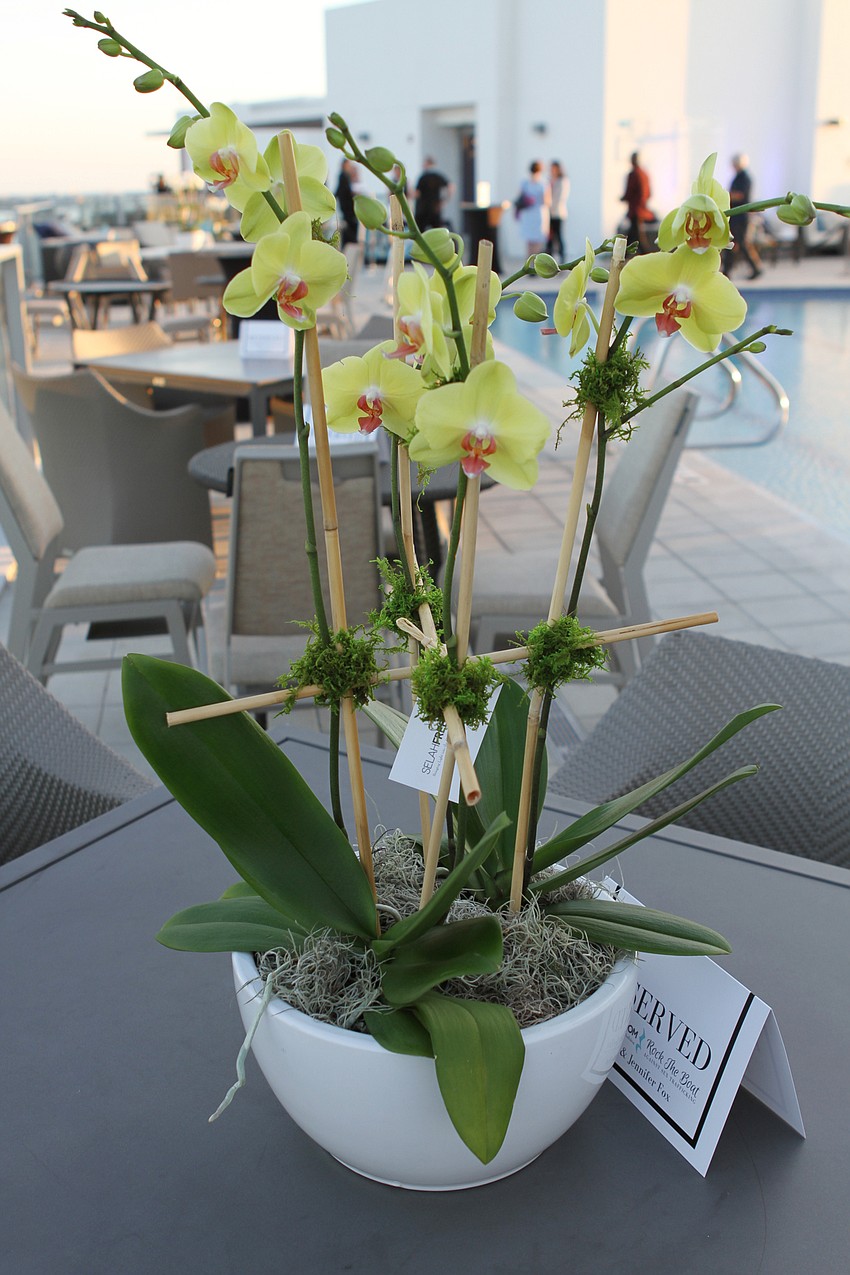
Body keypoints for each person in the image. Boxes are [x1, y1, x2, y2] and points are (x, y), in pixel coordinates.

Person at [722, 153, 763, 280]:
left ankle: (756, 268)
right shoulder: (738, 177)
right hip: (736, 215)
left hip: (741, 216)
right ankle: (726, 270)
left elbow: (740, 195)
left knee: (741, 243)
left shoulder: (744, 178)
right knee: (731, 243)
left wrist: (725, 195)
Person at [516, 160, 550, 257]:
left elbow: (519, 197)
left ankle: (529, 260)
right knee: (537, 240)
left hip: (527, 213)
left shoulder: (525, 183)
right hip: (538, 213)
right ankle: (534, 262)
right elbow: (546, 201)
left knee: (529, 241)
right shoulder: (543, 183)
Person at [621, 152, 653, 253]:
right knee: (635, 233)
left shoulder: (635, 174)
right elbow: (647, 193)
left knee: (636, 235)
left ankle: (643, 253)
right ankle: (626, 253)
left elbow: (632, 192)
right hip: (638, 209)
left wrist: (625, 198)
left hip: (637, 210)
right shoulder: (643, 174)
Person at [414, 157, 453, 232]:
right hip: (435, 209)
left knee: (420, 233)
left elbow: (417, 193)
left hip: (423, 210)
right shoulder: (439, 176)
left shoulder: (423, 177)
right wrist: (445, 200)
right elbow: (451, 187)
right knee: (437, 232)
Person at [546, 161, 569, 259]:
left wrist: (551, 208)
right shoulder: (550, 180)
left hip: (557, 213)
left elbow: (559, 197)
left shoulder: (562, 181)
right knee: (549, 238)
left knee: (558, 236)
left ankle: (562, 257)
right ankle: (548, 258)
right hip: (549, 213)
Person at [335, 159, 359, 247]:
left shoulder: (345, 176)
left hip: (348, 210)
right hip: (348, 209)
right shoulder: (344, 176)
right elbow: (345, 191)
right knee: (349, 230)